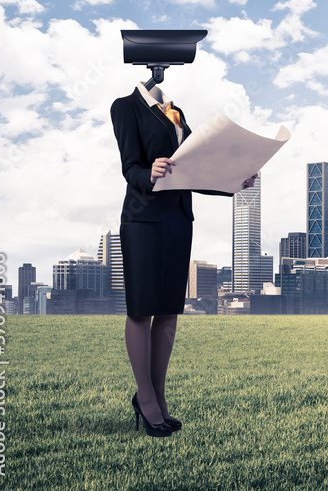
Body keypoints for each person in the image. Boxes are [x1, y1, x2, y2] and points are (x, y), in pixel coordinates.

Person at [111, 81, 256, 437]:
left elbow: (195, 171)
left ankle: (159, 397)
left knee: (169, 313)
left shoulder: (178, 114)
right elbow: (130, 166)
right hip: (143, 219)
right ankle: (144, 398)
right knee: (141, 310)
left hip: (178, 220)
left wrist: (234, 182)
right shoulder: (125, 106)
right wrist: (150, 172)